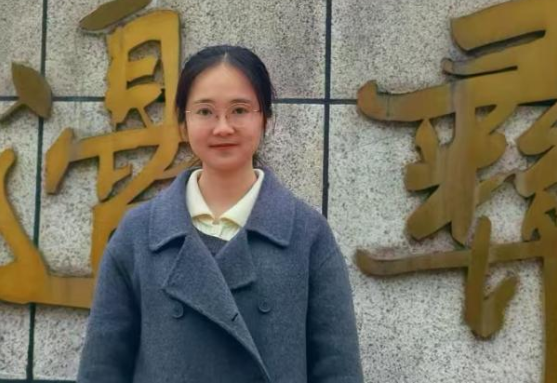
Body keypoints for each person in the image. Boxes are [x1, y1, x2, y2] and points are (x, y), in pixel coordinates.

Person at [76, 45, 363, 383]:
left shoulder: (307, 234)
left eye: (239, 110)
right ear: (183, 123)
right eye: (205, 111)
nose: (223, 127)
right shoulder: (139, 233)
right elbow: (102, 368)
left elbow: (337, 370)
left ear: (265, 119)